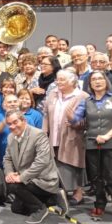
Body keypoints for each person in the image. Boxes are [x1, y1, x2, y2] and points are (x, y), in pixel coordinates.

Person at [72, 71, 112, 222]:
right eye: (94, 79)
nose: (97, 81)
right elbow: (74, 119)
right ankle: (100, 204)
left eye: (100, 78)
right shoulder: (86, 101)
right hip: (92, 144)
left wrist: (107, 136)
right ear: (90, 84)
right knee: (96, 178)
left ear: (106, 81)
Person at [3, 111, 67, 224]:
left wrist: (21, 177)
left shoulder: (38, 135)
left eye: (15, 122)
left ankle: (40, 209)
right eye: (9, 124)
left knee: (13, 185)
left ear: (24, 121)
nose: (12, 126)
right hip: (27, 178)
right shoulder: (10, 137)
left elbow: (41, 162)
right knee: (16, 209)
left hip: (43, 179)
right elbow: (7, 158)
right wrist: (9, 173)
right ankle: (53, 198)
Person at [43, 70, 88, 206]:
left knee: (74, 164)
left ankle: (78, 193)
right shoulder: (53, 94)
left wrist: (77, 123)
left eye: (62, 79)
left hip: (74, 136)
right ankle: (61, 193)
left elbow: (88, 119)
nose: (58, 82)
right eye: (57, 79)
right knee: (56, 164)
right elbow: (46, 114)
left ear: (72, 82)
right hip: (54, 135)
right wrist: (44, 132)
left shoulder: (82, 96)